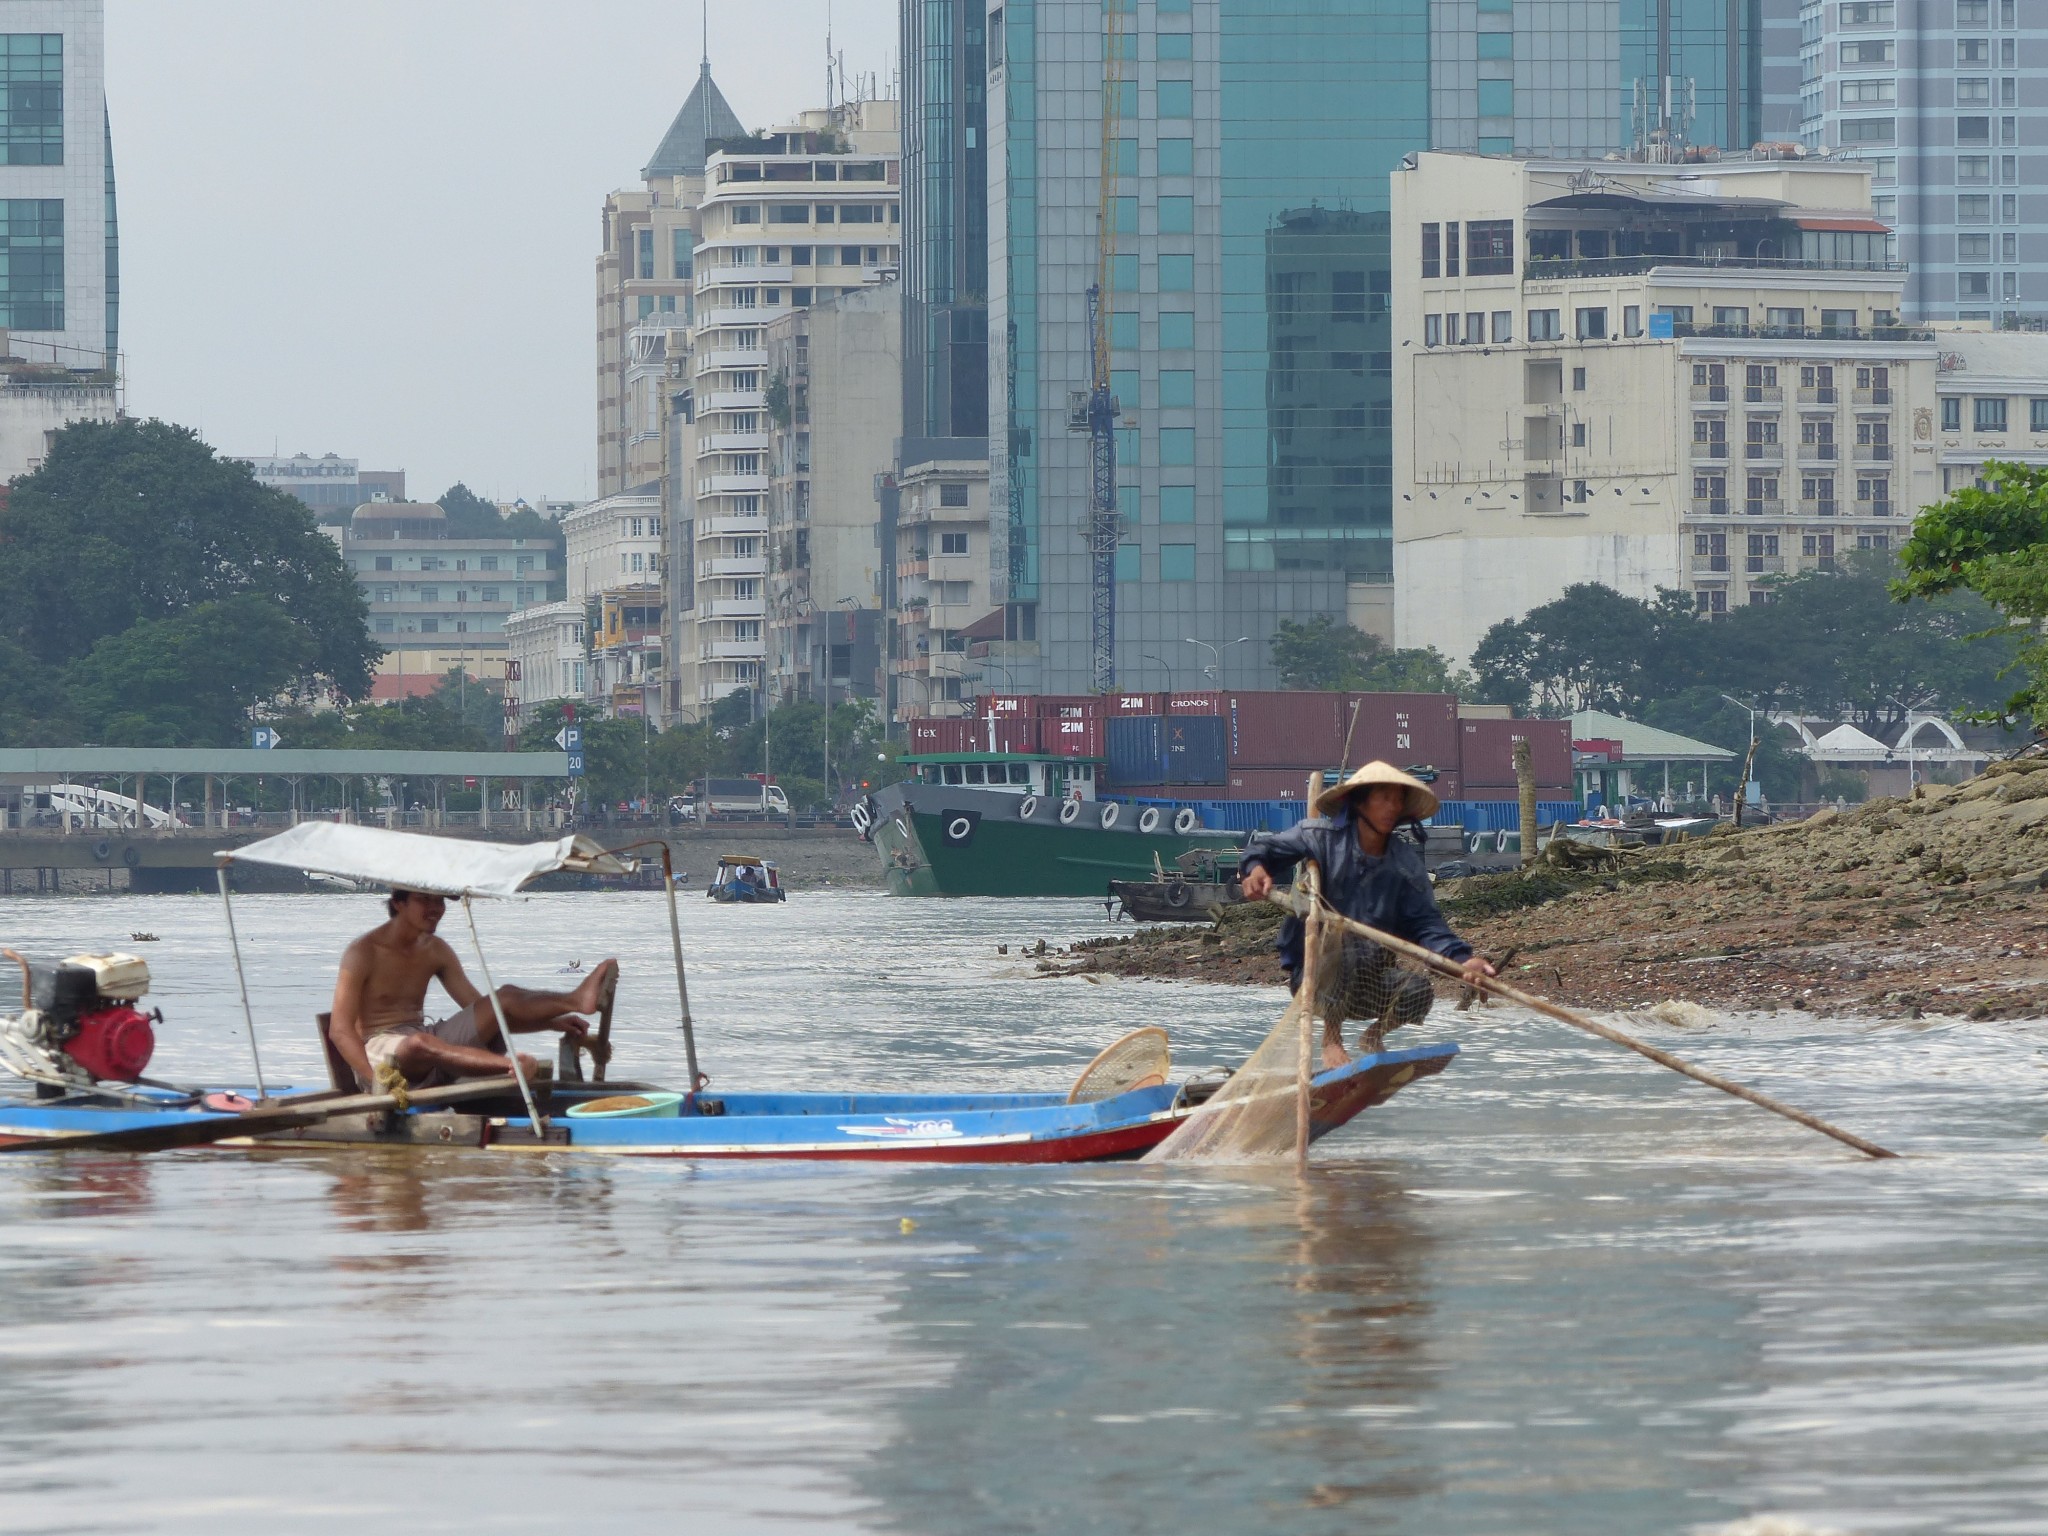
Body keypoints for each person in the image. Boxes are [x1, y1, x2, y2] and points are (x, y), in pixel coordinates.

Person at [1238, 762, 1495, 1069]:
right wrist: (1256, 870)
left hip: (1370, 983)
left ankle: (1373, 1037)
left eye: (1398, 799)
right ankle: (1331, 1040)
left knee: (1417, 991)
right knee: (1345, 941)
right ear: (1360, 801)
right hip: (1315, 978)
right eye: (1383, 797)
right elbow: (1266, 849)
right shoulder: (1320, 837)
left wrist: (1462, 961)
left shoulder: (1404, 863)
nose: (1392, 806)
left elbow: (1426, 924)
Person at [328, 888, 619, 1092]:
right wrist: (376, 1081)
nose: (434, 909)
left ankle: (575, 999)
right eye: (423, 900)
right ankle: (510, 1067)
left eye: (439, 901)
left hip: (425, 1041)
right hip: (382, 1050)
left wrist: (550, 1023)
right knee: (420, 1043)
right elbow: (340, 1030)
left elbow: (483, 1011)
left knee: (502, 998)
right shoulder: (363, 952)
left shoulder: (436, 950)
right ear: (399, 904)